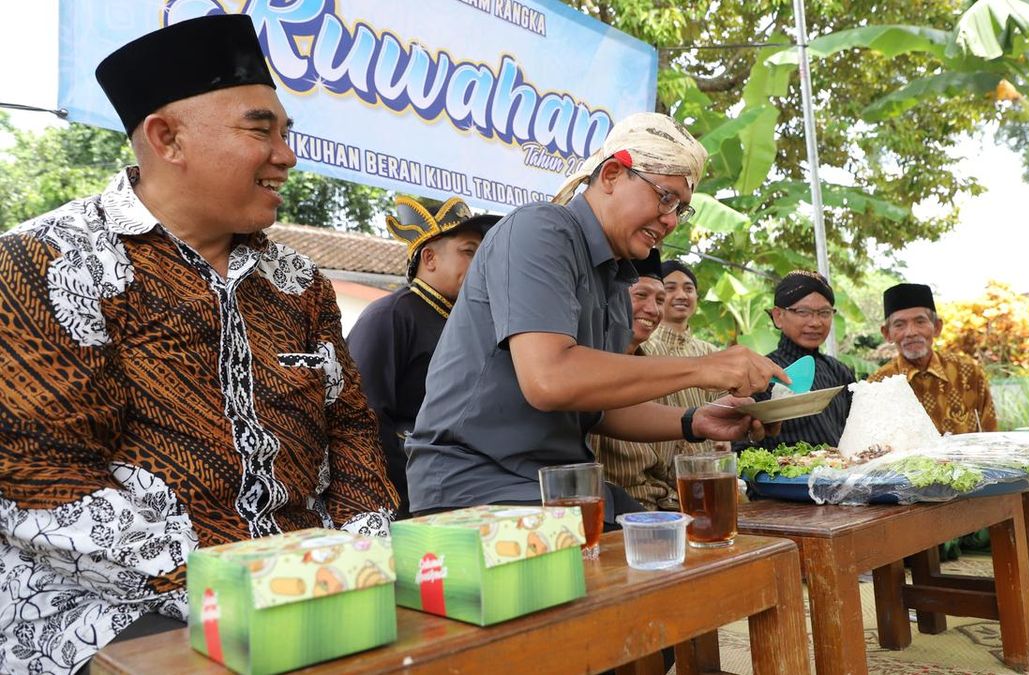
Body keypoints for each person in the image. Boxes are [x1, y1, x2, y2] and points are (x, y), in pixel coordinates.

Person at [0, 15, 399, 673]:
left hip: (307, 597)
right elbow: (43, 479)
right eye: (259, 129)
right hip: (108, 619)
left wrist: (362, 555)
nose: (287, 155)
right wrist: (240, 582)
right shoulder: (41, 264)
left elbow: (351, 429)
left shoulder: (299, 283)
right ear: (167, 137)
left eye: (285, 132)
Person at [404, 112, 786, 524]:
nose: (672, 220)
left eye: (682, 209)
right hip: (477, 486)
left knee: (698, 553)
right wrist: (704, 368)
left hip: (559, 486)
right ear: (611, 175)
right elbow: (551, 379)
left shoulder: (615, 277)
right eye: (665, 197)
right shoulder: (539, 229)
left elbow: (598, 407)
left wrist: (695, 420)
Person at [346, 197, 498, 517]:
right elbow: (362, 415)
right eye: (469, 252)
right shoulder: (389, 316)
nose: (481, 264)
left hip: (473, 488)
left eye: (483, 254)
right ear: (429, 258)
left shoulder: (472, 321)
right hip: (414, 499)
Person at [589, 249, 684, 510]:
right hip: (615, 515)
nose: (652, 310)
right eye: (640, 295)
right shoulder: (590, 367)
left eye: (660, 300)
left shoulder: (657, 367)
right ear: (613, 299)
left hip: (668, 510)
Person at [736, 271, 856, 452]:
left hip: (842, 476)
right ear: (778, 316)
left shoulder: (840, 371)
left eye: (824, 313)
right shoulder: (760, 372)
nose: (815, 322)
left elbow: (859, 428)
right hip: (781, 478)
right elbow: (740, 445)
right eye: (803, 312)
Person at [869, 283, 998, 435]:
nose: (911, 332)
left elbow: (991, 436)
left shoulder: (968, 372)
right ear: (887, 334)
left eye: (920, 321)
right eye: (899, 325)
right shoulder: (878, 385)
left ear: (937, 327)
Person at [642, 260, 729, 454]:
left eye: (689, 289)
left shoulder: (711, 353)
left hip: (706, 469)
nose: (681, 295)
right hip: (651, 473)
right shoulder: (641, 348)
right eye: (670, 288)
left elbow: (724, 410)